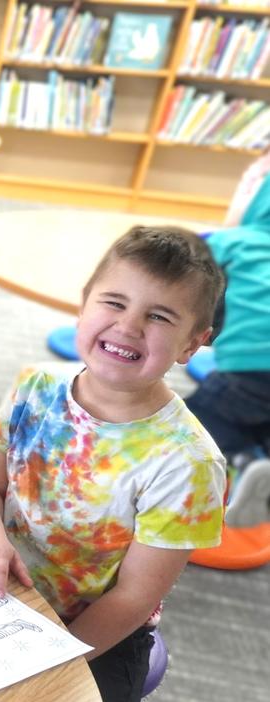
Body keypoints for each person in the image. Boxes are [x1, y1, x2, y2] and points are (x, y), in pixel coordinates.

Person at [0, 226, 227, 702]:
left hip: (95, 633)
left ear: (191, 344)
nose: (128, 326)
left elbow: (133, 598)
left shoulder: (189, 462)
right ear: (84, 303)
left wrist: (42, 661)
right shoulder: (34, 385)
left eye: (158, 316)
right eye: (114, 303)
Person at [183, 149, 270, 528]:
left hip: (251, 367)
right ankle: (258, 464)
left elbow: (199, 291)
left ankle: (183, 502)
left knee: (196, 432)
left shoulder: (236, 242)